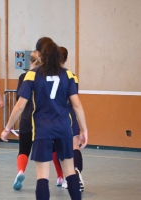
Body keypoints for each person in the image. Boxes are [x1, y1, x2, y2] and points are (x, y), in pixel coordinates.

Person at [1, 38, 88, 200]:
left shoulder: (31, 76)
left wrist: (7, 128)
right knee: (70, 171)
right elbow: (77, 105)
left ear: (39, 54)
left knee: (43, 175)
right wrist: (84, 129)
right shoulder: (68, 75)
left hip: (42, 129)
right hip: (64, 128)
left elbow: (20, 105)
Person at [13, 50, 42, 190]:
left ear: (30, 61)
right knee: (52, 151)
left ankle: (20, 171)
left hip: (26, 118)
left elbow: (19, 99)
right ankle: (61, 177)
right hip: (42, 121)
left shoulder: (24, 77)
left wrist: (7, 128)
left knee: (23, 150)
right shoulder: (46, 77)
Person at [59, 46, 84, 192]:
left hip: (56, 116)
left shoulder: (49, 75)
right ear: (66, 58)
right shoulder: (72, 76)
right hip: (70, 115)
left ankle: (68, 178)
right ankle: (77, 173)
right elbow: (75, 101)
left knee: (61, 148)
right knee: (75, 146)